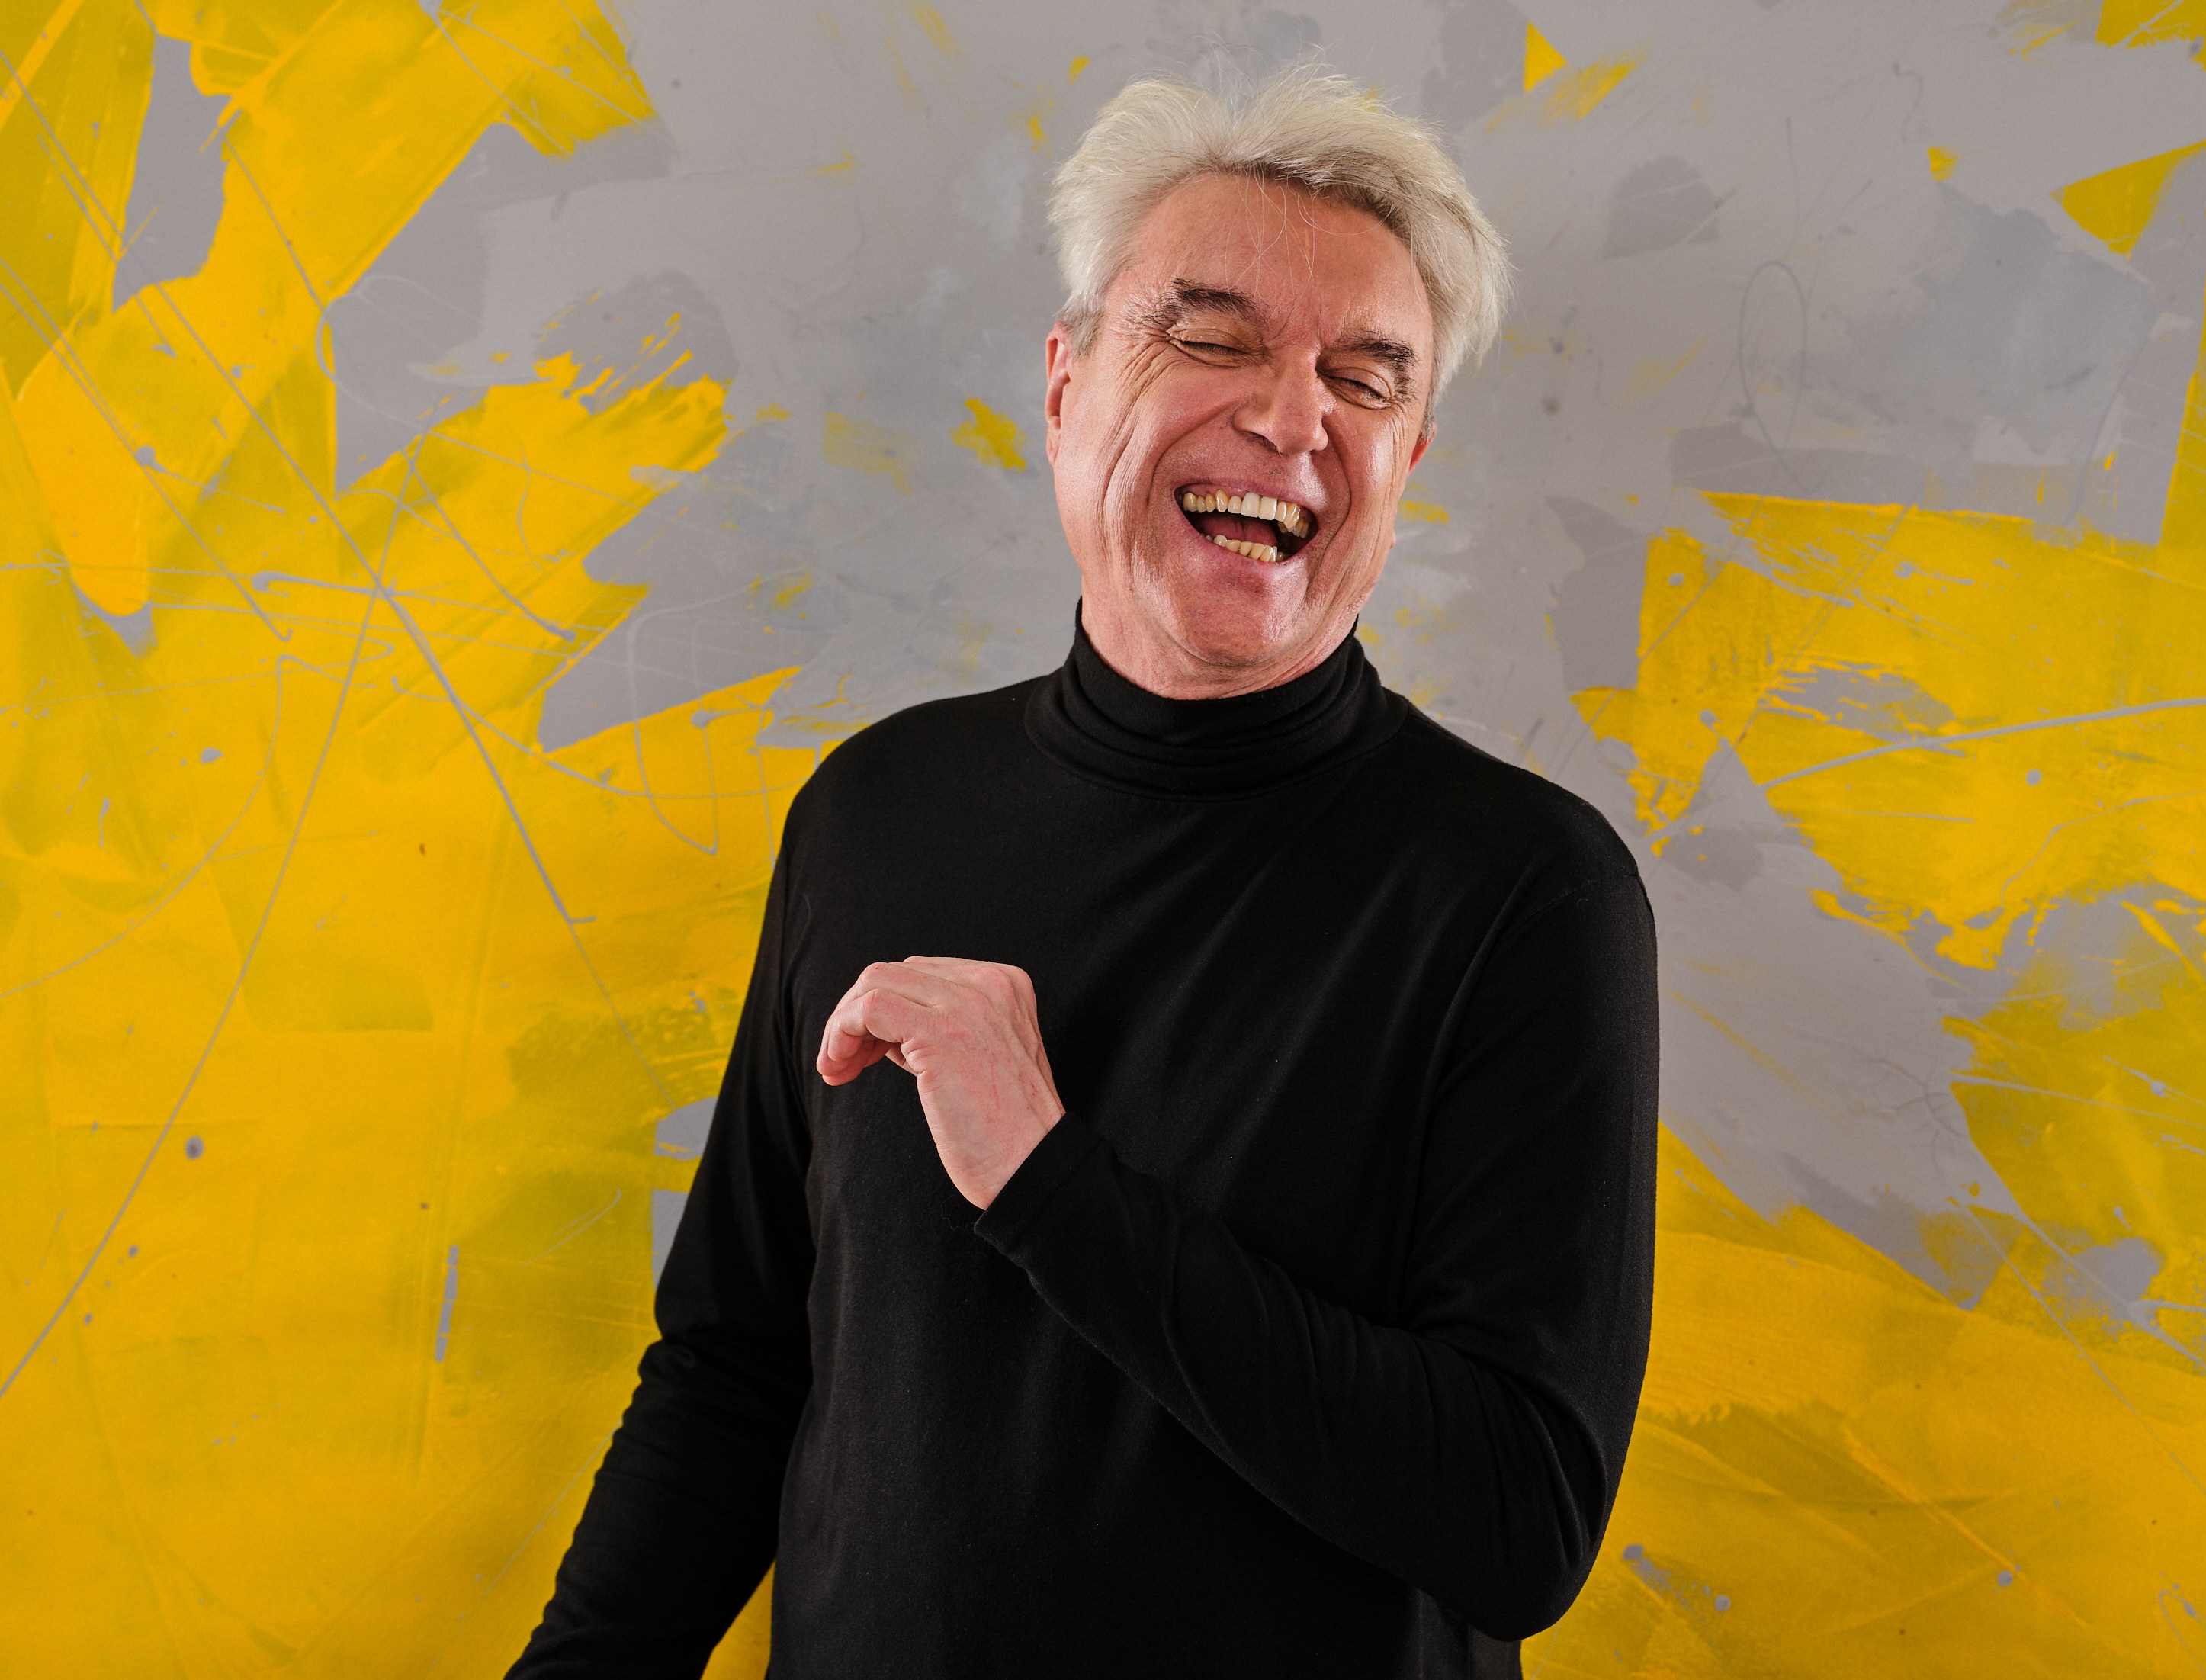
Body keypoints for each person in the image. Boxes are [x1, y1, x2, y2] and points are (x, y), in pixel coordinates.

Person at [511, 64, 1658, 1680]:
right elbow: (734, 1368)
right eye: (1213, 338)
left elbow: (1516, 1519)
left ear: (1406, 460)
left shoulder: (1524, 893)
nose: (1293, 418)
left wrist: (1050, 1183)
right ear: (1065, 384)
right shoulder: (875, 810)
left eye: (1362, 379)